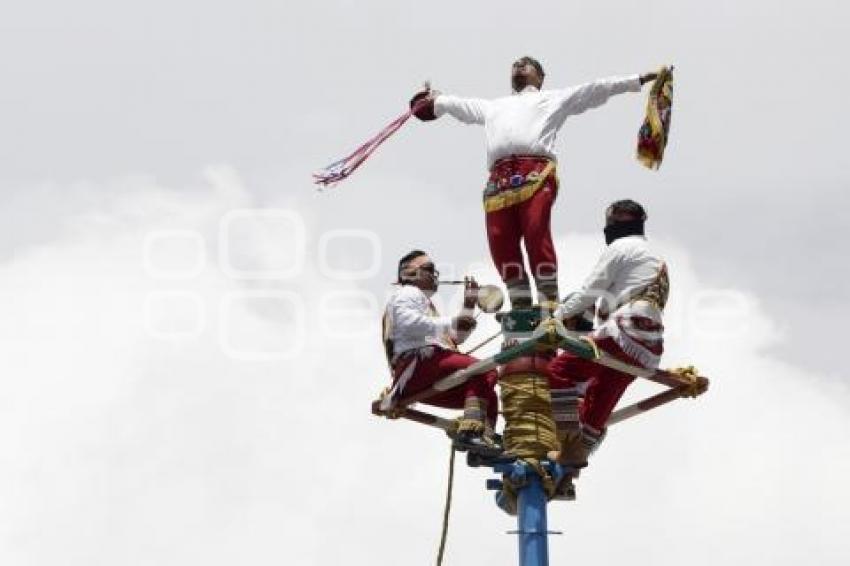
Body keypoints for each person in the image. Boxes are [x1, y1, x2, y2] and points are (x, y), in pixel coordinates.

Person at [411, 57, 659, 308]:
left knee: (535, 232)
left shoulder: (552, 99)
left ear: (541, 78)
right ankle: (520, 305)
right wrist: (432, 101)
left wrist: (636, 80)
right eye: (515, 64)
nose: (519, 65)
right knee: (500, 241)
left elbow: (596, 89)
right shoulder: (493, 106)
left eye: (527, 64)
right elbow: (455, 105)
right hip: (498, 181)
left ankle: (548, 300)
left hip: (535, 174)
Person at [547, 200, 669, 468]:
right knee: (601, 396)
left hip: (624, 331)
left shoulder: (622, 247)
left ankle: (568, 444)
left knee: (559, 370)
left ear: (617, 222)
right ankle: (576, 456)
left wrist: (553, 319)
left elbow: (589, 292)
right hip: (649, 346)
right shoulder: (654, 256)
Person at [382, 249, 499, 450]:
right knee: (484, 370)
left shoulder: (426, 306)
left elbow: (454, 339)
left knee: (488, 393)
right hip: (417, 365)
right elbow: (408, 323)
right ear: (408, 273)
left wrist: (468, 305)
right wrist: (453, 320)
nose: (435, 275)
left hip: (426, 370)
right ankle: (471, 432)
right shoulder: (408, 293)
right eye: (429, 269)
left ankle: (484, 441)